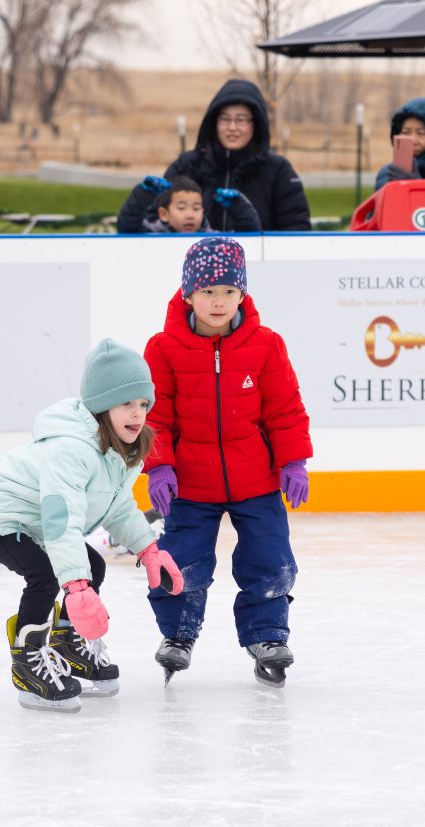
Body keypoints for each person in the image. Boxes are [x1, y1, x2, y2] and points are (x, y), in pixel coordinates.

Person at [0, 340, 184, 713]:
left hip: (36, 519)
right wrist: (76, 587)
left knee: (93, 566)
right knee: (47, 578)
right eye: (126, 403)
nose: (138, 413)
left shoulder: (123, 448)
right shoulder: (70, 449)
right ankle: (27, 664)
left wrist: (148, 549)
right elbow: (60, 519)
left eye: (144, 403)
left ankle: (69, 644)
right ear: (101, 406)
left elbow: (118, 506)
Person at [143, 236, 313, 688]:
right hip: (191, 486)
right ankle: (177, 634)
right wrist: (159, 466)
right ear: (188, 295)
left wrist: (292, 461)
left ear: (242, 294)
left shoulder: (266, 345)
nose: (218, 302)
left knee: (270, 559)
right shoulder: (162, 348)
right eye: (208, 292)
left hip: (256, 480)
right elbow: (155, 415)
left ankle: (268, 636)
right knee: (181, 562)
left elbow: (285, 410)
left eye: (229, 292)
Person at [163, 80, 310, 232]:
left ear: (256, 123)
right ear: (214, 121)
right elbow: (155, 218)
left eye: (241, 120)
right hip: (192, 255)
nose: (232, 127)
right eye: (225, 119)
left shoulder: (279, 170)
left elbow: (297, 229)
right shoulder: (186, 165)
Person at [116, 174, 261, 234]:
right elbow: (127, 225)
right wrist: (143, 194)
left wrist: (240, 208)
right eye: (181, 207)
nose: (190, 215)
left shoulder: (213, 240)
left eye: (196, 208)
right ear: (164, 214)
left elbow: (249, 237)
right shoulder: (152, 235)